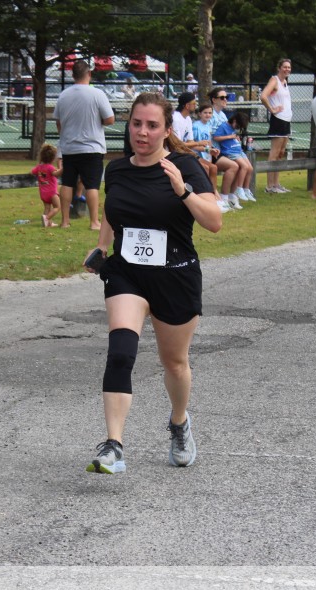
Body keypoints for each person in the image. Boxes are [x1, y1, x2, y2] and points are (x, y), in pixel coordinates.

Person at [81, 92, 222, 474]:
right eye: (136, 124)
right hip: (127, 273)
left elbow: (214, 221)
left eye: (152, 125)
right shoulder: (117, 170)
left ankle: (179, 422)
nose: (142, 132)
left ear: (167, 129)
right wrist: (102, 248)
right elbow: (112, 211)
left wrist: (183, 190)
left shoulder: (185, 166)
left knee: (174, 363)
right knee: (121, 352)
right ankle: (113, 445)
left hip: (175, 275)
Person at [53, 60, 115, 231]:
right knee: (92, 185)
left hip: (69, 147)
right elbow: (110, 119)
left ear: (73, 75)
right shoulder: (97, 94)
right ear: (89, 74)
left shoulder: (64, 95)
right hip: (92, 147)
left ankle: (65, 221)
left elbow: (58, 122)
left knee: (67, 183)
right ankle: (94, 221)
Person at [260, 58, 293, 193]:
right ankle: (269, 186)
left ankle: (276, 183)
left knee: (280, 153)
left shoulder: (285, 82)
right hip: (278, 120)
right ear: (279, 68)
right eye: (285, 67)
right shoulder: (274, 80)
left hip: (286, 120)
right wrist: (272, 109)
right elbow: (263, 96)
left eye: (289, 67)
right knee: (274, 153)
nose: (287, 69)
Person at [207, 87, 242, 210]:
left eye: (226, 97)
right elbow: (210, 135)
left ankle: (232, 196)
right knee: (233, 166)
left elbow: (228, 132)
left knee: (241, 165)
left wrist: (234, 137)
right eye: (222, 97)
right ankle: (224, 198)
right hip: (211, 152)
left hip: (222, 150)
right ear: (214, 100)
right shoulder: (209, 114)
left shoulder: (223, 115)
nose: (225, 99)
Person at [213, 111, 255, 208]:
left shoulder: (233, 128)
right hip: (230, 152)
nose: (237, 128)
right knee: (243, 166)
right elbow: (216, 137)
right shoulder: (224, 126)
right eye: (237, 126)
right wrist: (230, 137)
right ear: (234, 120)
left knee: (250, 168)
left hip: (238, 150)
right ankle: (239, 189)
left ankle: (246, 189)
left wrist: (235, 138)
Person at [32, 143, 63, 227]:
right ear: (53, 158)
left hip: (43, 193)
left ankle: (48, 224)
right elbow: (56, 174)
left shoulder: (39, 167)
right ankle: (47, 218)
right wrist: (62, 169)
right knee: (57, 207)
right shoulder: (50, 167)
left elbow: (32, 172)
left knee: (47, 208)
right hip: (52, 193)